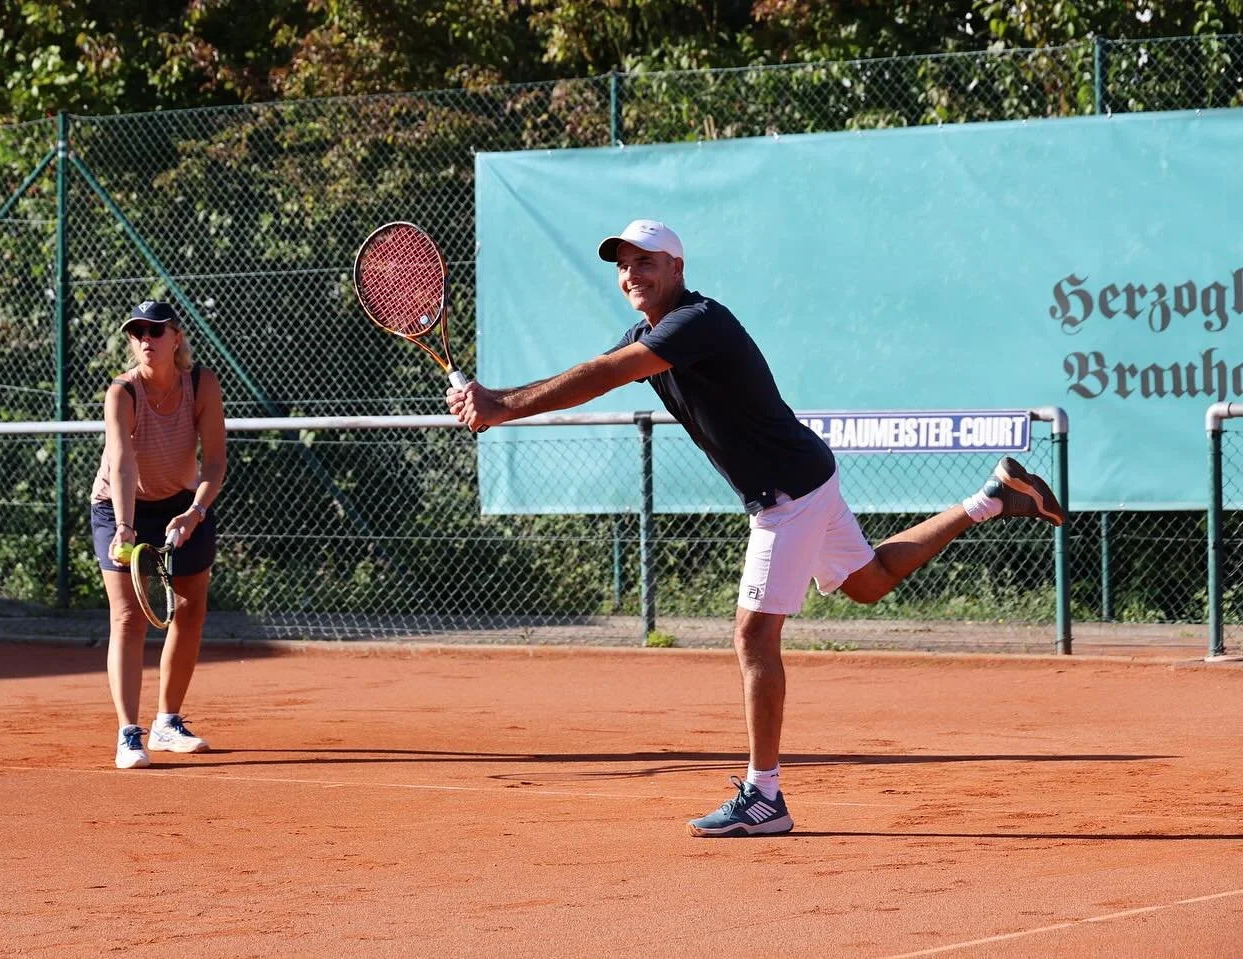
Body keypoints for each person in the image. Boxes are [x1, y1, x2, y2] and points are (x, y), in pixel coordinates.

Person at [446, 219, 1064, 836]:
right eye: (623, 264)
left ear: (677, 269)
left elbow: (607, 374)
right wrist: (495, 400)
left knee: (753, 637)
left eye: (647, 261)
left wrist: (501, 408)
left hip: (787, 493)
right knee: (869, 582)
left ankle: (764, 795)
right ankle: (991, 499)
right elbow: (586, 374)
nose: (633, 273)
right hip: (806, 473)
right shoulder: (648, 332)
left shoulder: (697, 321)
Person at [90, 300, 227, 770]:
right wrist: (125, 525)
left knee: (190, 609)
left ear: (176, 338)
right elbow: (122, 461)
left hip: (180, 504)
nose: (146, 339)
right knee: (128, 618)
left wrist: (195, 512)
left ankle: (167, 723)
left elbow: (214, 463)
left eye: (156, 330)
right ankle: (129, 733)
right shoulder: (121, 393)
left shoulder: (201, 383)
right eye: (137, 333)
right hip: (119, 505)